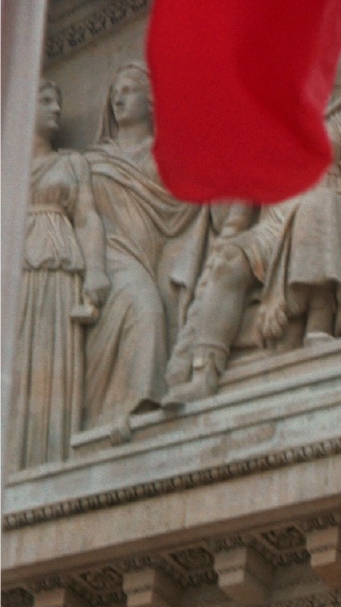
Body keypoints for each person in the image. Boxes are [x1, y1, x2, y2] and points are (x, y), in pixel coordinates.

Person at [166, 89, 341, 403]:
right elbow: (235, 218)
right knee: (229, 261)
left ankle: (319, 325)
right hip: (273, 224)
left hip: (327, 208)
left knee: (317, 208)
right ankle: (205, 372)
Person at [84, 63, 210, 425]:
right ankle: (137, 404)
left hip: (155, 250)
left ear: (153, 100)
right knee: (146, 307)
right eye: (114, 93)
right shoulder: (91, 163)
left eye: (128, 90)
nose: (118, 98)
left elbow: (194, 197)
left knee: (173, 293)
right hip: (109, 256)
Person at [8, 81, 109, 468]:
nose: (56, 109)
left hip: (58, 265)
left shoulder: (72, 163)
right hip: (13, 268)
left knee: (50, 362)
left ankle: (48, 460)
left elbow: (87, 216)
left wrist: (96, 271)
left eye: (58, 102)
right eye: (45, 100)